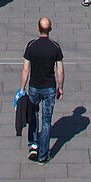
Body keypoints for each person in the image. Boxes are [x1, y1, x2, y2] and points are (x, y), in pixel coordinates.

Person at [20, 17, 64, 164]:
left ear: (38, 28)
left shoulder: (31, 45)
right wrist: (60, 87)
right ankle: (43, 155)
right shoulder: (55, 47)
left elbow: (26, 68)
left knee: (33, 116)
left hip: (34, 86)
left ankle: (33, 146)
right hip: (50, 87)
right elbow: (60, 71)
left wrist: (22, 88)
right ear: (50, 29)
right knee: (46, 121)